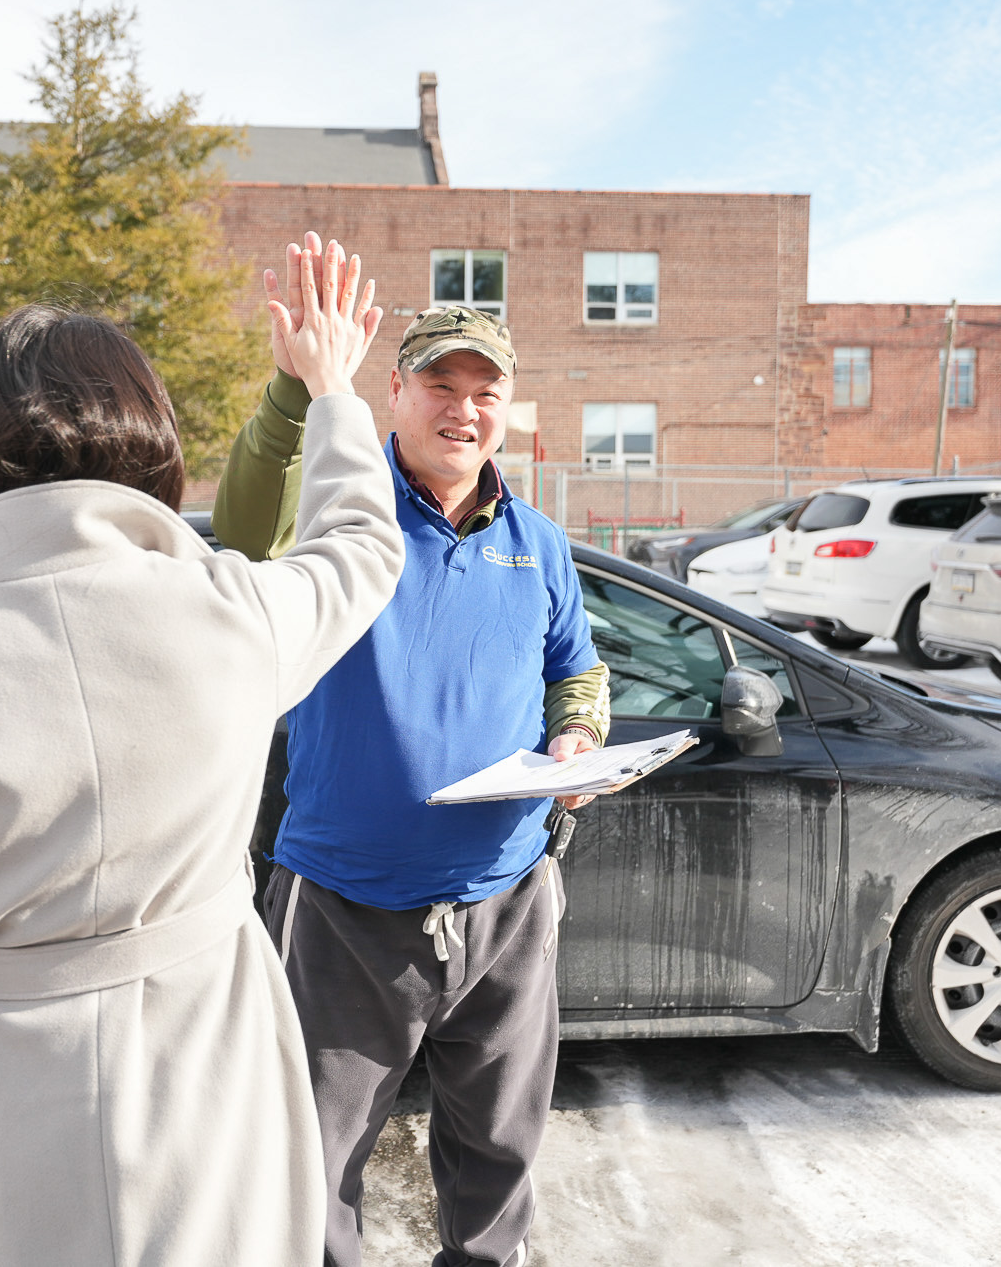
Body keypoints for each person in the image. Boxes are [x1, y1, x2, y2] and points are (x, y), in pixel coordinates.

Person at [0, 251, 403, 1267]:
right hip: (219, 1063)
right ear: (149, 440)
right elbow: (361, 544)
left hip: (18, 1081)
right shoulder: (234, 612)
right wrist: (330, 389)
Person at [215, 235, 611, 1267]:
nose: (463, 407)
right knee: (312, 1160)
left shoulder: (541, 542)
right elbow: (243, 524)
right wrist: (301, 386)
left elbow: (577, 668)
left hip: (507, 901)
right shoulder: (343, 513)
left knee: (498, 1157)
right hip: (345, 908)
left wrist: (577, 734)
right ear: (393, 391)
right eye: (441, 381)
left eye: (485, 389)